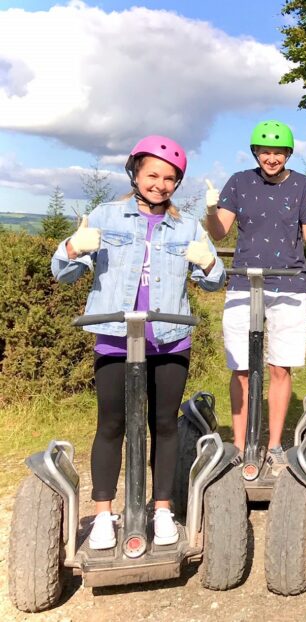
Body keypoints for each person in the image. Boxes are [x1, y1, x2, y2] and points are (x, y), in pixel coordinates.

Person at [51, 135, 224, 550]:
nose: (160, 184)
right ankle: (104, 514)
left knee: (164, 425)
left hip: (169, 341)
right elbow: (63, 273)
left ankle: (162, 509)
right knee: (111, 425)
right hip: (115, 338)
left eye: (169, 179)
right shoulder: (106, 216)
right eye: (153, 175)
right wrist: (74, 248)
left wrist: (210, 263)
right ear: (136, 173)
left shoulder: (186, 226)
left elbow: (213, 281)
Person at [205, 120, 306, 468]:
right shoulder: (240, 182)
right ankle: (242, 445)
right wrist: (211, 211)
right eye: (265, 151)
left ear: (288, 154)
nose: (271, 158)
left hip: (288, 282)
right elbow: (219, 233)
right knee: (241, 368)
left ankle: (274, 444)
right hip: (245, 281)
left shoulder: (304, 186)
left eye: (277, 152)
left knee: (279, 367)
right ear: (255, 152)